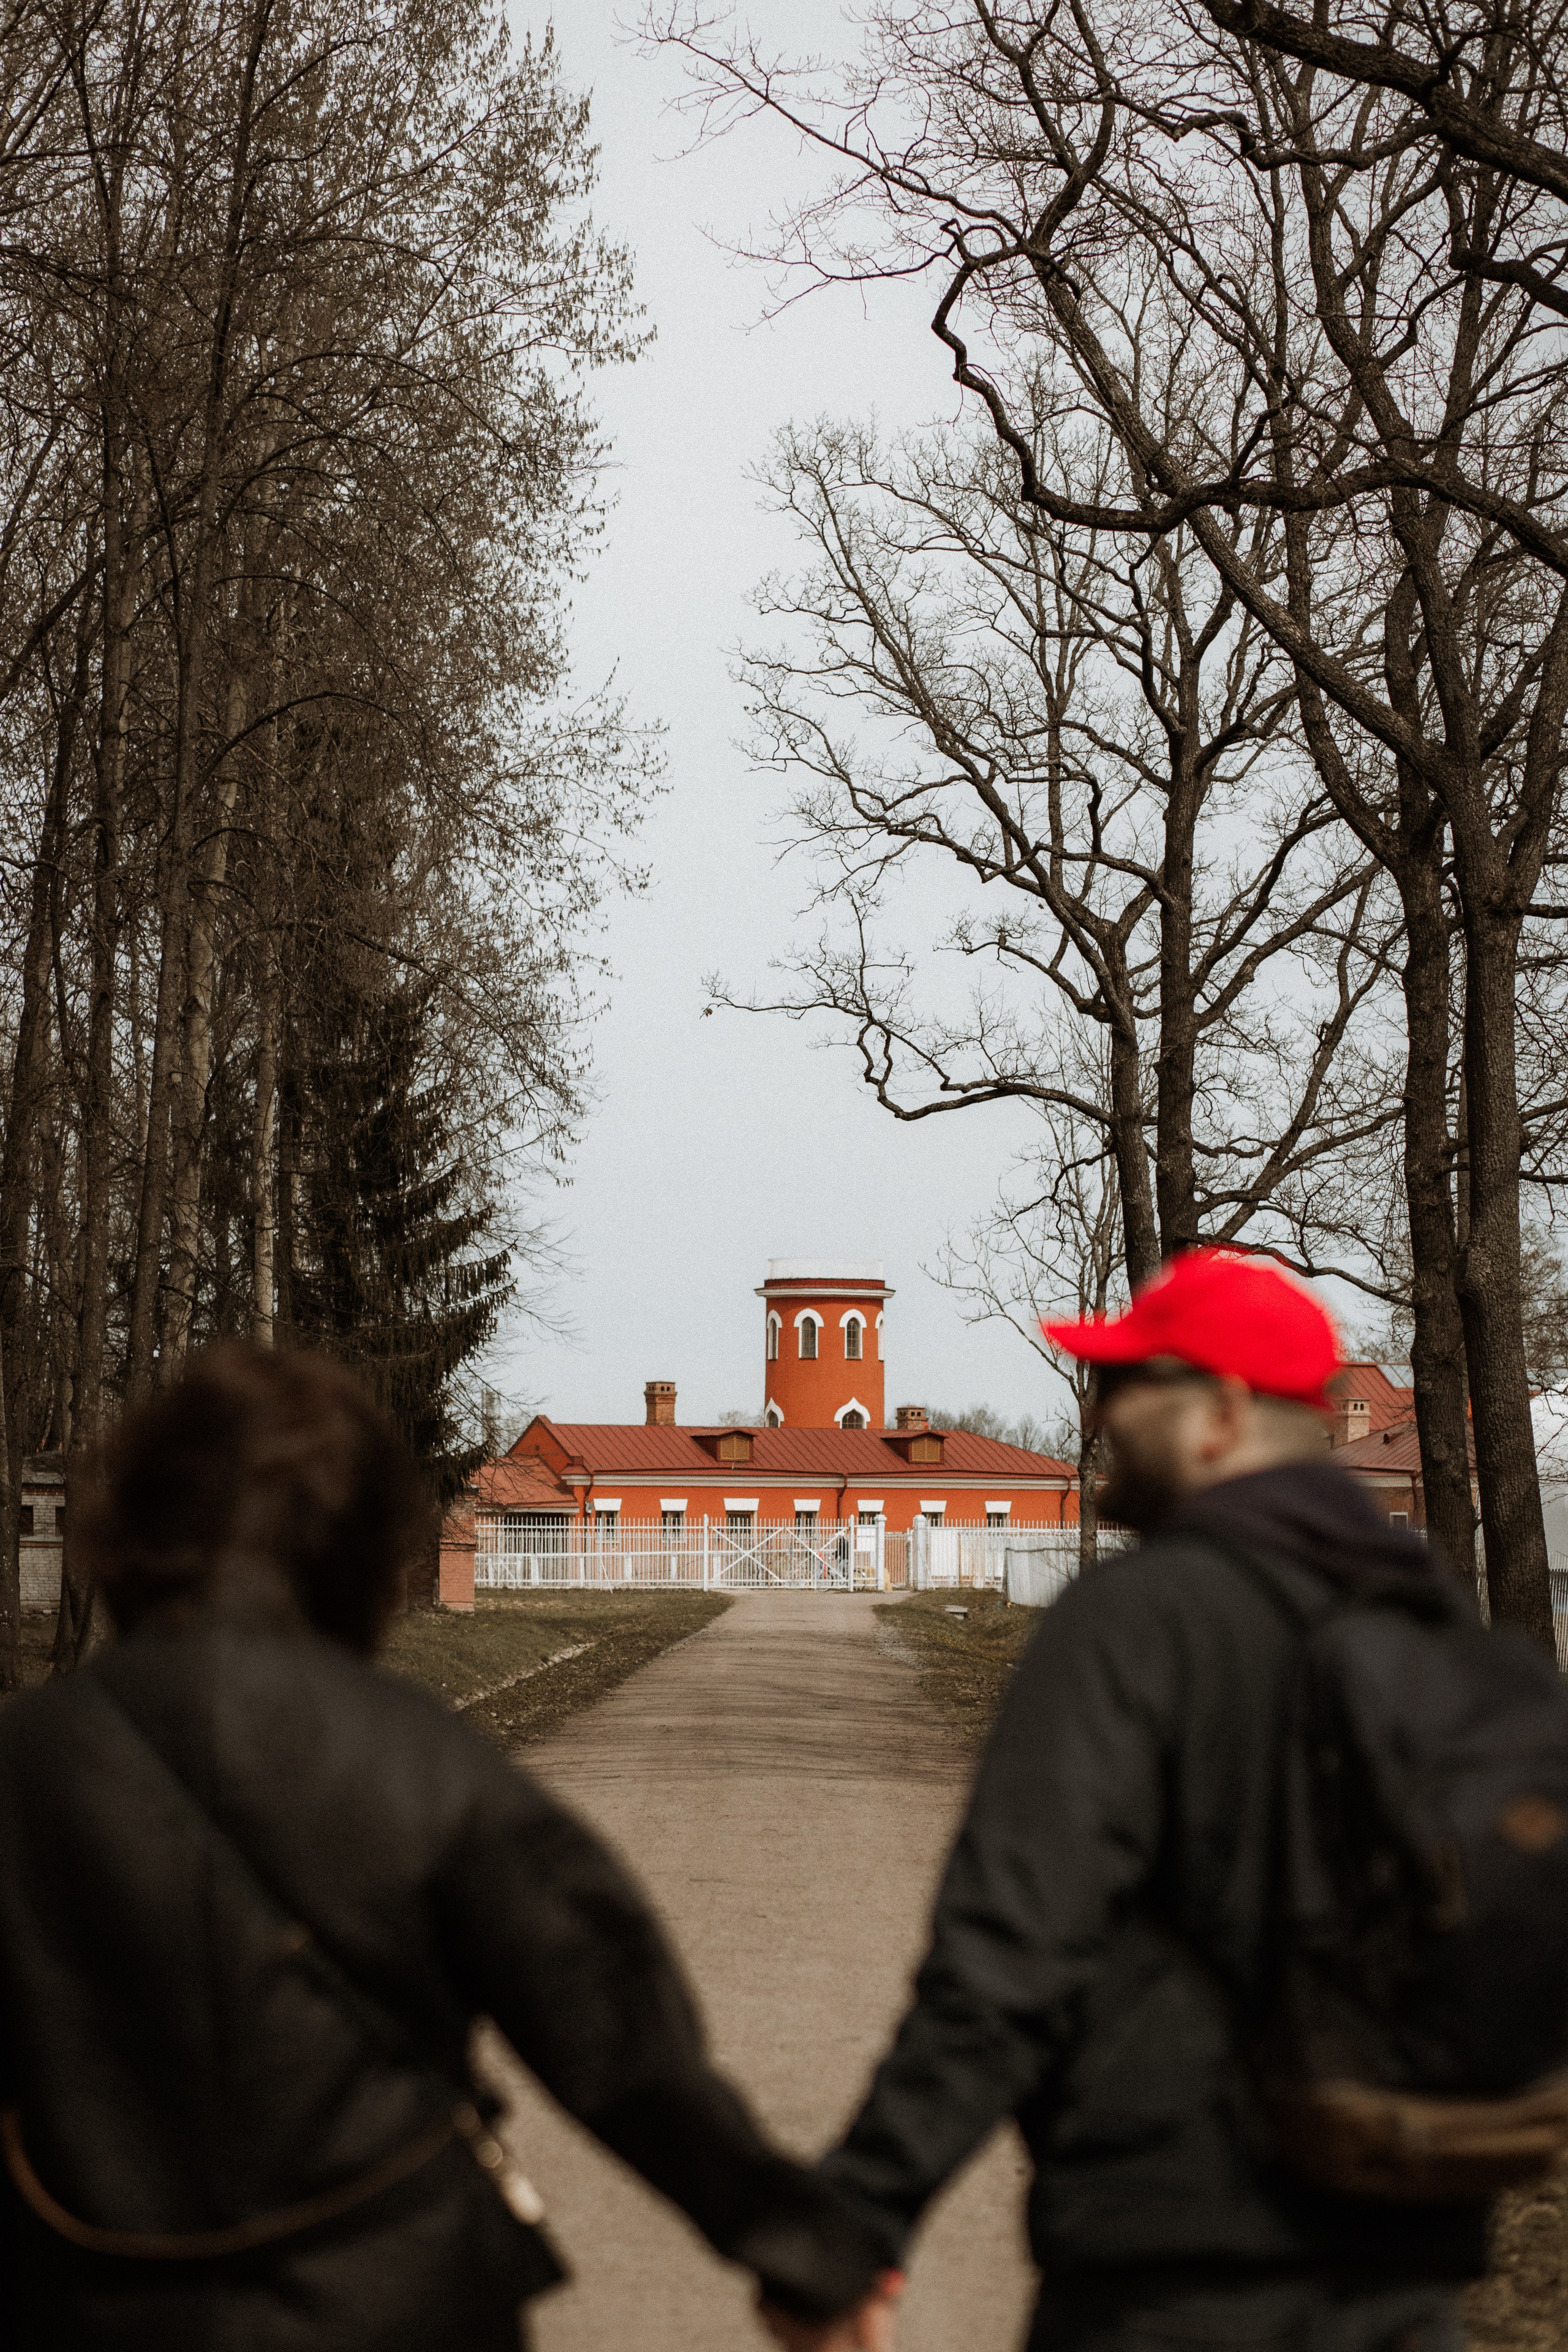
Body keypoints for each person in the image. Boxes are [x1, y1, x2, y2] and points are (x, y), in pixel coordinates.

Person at [0, 1343, 897, 2352]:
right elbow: (620, 2045)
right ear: (355, 1546)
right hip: (405, 2302)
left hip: (83, 2308)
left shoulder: (26, 1765)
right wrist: (807, 2253)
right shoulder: (421, 1762)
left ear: (134, 1528)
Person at [786, 1250, 1480, 2352]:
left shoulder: (1138, 1620)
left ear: (1223, 1412)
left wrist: (860, 2214)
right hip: (1406, 2260)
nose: (1098, 1411)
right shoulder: (1436, 1624)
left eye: (1126, 1383)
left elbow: (1010, 1951)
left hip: (1174, 2263)